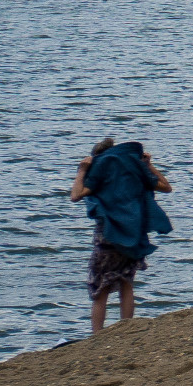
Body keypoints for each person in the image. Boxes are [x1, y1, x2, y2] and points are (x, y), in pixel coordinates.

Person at [71, 136, 173, 333]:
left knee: (100, 289)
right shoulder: (133, 172)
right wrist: (148, 166)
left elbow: (75, 195)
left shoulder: (100, 173)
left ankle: (97, 334)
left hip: (107, 238)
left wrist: (82, 170)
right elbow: (165, 187)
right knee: (126, 282)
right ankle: (126, 329)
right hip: (132, 237)